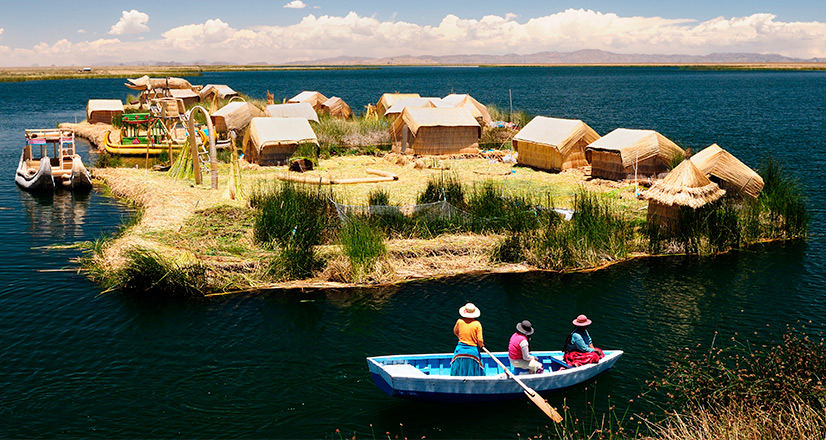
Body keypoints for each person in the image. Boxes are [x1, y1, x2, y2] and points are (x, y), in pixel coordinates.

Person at [450, 303, 485, 376]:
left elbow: (455, 331)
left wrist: (461, 337)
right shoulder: (477, 324)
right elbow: (480, 340)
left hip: (460, 350)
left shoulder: (459, 321)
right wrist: (481, 345)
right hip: (473, 351)